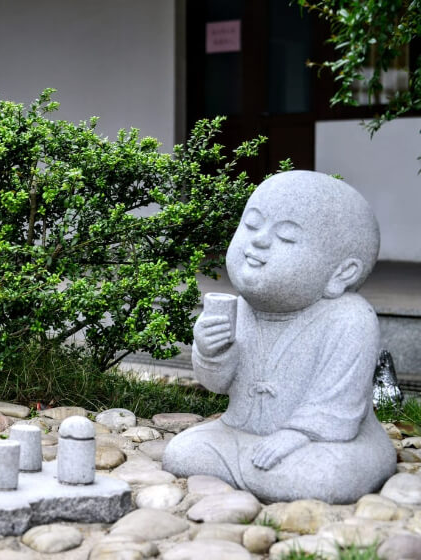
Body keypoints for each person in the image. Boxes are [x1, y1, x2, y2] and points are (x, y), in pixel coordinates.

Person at [162, 171, 396, 504]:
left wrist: (293, 436)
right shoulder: (239, 307)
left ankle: (264, 474)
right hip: (240, 433)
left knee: (321, 477)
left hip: (322, 442)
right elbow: (217, 384)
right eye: (252, 225)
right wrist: (211, 352)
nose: (258, 240)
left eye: (286, 237)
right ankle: (255, 474)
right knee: (184, 453)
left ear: (341, 273)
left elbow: (338, 406)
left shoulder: (349, 317)